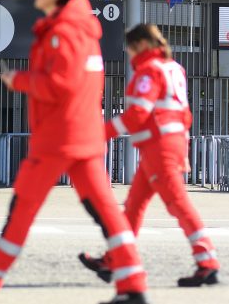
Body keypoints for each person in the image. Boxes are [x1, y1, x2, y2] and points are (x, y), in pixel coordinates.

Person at [0, 0, 148, 304]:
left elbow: (60, 84)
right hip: (82, 136)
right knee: (108, 213)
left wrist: (19, 81)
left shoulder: (62, 31)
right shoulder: (83, 29)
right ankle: (133, 283)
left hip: (57, 137)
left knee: (20, 210)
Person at [78, 24, 220, 287]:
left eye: (130, 48)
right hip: (167, 145)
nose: (129, 54)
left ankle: (207, 261)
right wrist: (184, 151)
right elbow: (185, 115)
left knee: (177, 204)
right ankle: (114, 260)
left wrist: (100, 134)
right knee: (133, 207)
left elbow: (137, 115)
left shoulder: (149, 71)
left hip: (159, 147)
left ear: (141, 44)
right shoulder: (175, 69)